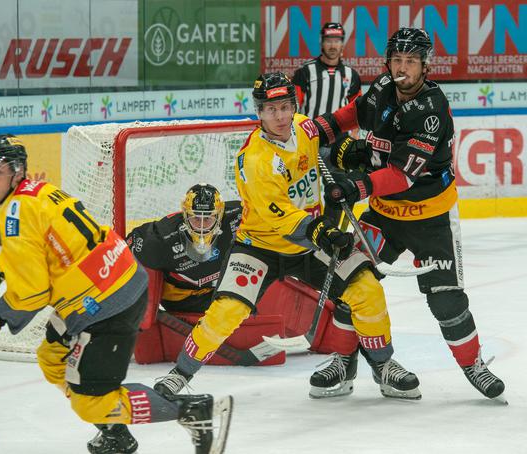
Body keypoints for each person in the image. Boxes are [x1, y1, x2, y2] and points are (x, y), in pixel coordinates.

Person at [154, 71, 420, 401]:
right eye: (270, 109)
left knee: (366, 289)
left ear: (294, 105)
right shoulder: (256, 161)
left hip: (307, 245)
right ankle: (181, 373)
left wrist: (349, 151)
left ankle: (382, 364)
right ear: (259, 112)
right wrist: (322, 230)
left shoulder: (301, 126)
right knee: (226, 311)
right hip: (260, 246)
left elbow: (326, 141)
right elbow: (281, 218)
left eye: (285, 107)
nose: (279, 116)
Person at [0, 134, 232, 454]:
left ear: (18, 171)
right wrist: (2, 268)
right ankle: (115, 433)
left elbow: (31, 295)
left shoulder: (14, 214)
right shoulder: (37, 190)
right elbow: (46, 243)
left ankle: (191, 411)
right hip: (109, 283)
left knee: (90, 402)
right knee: (52, 358)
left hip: (105, 303)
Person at [314, 27, 506, 401]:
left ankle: (473, 365)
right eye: (397, 60)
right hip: (383, 214)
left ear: (425, 66)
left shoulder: (431, 111)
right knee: (349, 281)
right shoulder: (384, 85)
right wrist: (319, 128)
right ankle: (343, 360)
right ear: (388, 62)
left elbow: (401, 175)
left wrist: (355, 186)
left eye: (411, 62)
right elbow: (355, 112)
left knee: (445, 299)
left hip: (430, 218)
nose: (403, 68)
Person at [126, 183, 240, 314]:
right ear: (185, 215)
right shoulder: (162, 238)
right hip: (183, 300)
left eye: (208, 218)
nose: (202, 226)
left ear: (219, 215)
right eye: (196, 218)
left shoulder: (237, 218)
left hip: (219, 289)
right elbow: (126, 249)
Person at [292, 22, 362, 121]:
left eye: (337, 41)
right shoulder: (305, 71)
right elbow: (293, 105)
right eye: (328, 41)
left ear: (342, 44)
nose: (333, 46)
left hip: (340, 134)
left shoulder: (351, 75)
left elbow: (357, 109)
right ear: (322, 43)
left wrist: (355, 132)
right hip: (310, 133)